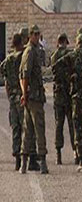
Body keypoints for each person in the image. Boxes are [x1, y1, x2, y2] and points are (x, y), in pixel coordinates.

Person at [52, 31, 82, 173]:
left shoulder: (67, 55)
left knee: (66, 125)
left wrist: (67, 76)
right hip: (78, 96)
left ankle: (62, 154)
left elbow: (55, 67)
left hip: (67, 95)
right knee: (81, 126)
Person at [19, 25, 48, 174]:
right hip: (33, 98)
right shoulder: (29, 52)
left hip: (34, 96)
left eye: (38, 34)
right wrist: (25, 94)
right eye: (35, 34)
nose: (37, 37)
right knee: (38, 129)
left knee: (28, 129)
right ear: (30, 36)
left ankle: (25, 163)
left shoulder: (33, 51)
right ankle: (41, 162)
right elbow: (24, 75)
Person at [1, 33, 25, 170]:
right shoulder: (23, 57)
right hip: (22, 95)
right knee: (26, 127)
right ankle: (27, 155)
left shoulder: (8, 59)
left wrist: (9, 91)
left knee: (15, 127)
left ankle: (17, 157)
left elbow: (3, 75)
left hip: (12, 97)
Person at [50, 33, 75, 165]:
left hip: (58, 94)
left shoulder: (54, 56)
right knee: (72, 124)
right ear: (65, 41)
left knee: (59, 125)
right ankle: (76, 152)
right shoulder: (70, 55)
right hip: (68, 93)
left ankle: (58, 154)